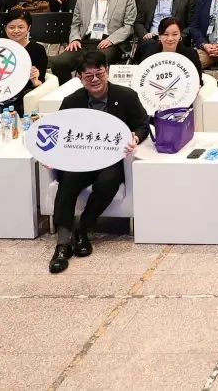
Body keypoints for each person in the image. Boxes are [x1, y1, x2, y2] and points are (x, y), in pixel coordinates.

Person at [48, 50, 150, 274]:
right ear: (80, 78)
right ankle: (62, 244)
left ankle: (83, 228)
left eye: (99, 74)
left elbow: (143, 124)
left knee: (108, 182)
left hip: (111, 159)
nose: (95, 80)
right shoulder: (72, 101)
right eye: (88, 76)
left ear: (108, 71)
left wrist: (135, 137)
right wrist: (50, 156)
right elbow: (58, 132)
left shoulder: (126, 96)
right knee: (68, 182)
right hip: (81, 159)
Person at [52, 0, 137, 82]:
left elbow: (129, 26)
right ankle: (71, 90)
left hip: (111, 43)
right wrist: (75, 39)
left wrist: (111, 40)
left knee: (94, 64)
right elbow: (75, 24)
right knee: (59, 63)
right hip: (85, 41)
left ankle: (96, 90)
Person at [135, 17, 203, 77]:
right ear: (159, 35)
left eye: (175, 34)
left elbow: (198, 80)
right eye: (165, 34)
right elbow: (142, 76)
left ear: (180, 35)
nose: (170, 38)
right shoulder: (150, 52)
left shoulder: (191, 54)